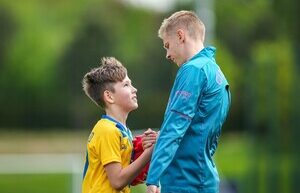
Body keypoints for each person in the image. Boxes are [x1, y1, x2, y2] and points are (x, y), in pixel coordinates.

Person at [144, 10, 231, 193]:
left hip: (184, 181)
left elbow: (175, 126)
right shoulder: (218, 74)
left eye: (167, 45)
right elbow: (200, 131)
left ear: (180, 36)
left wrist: (153, 177)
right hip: (202, 178)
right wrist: (161, 138)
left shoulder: (192, 70)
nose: (167, 55)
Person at [81, 57, 156, 193]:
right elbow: (117, 181)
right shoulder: (107, 130)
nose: (135, 89)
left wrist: (144, 147)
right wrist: (148, 154)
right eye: (126, 85)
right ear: (109, 96)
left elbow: (129, 177)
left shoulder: (122, 131)